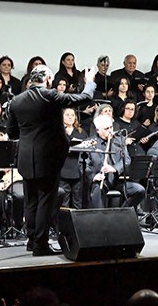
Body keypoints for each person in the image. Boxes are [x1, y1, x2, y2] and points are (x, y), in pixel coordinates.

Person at [7, 64, 96, 256]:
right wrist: (89, 83)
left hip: (25, 158)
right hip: (47, 158)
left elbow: (12, 132)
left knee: (30, 202)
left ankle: (32, 241)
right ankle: (40, 245)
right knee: (46, 201)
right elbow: (84, 98)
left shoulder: (16, 101)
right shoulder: (49, 95)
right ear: (47, 79)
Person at [87, 114, 145, 210]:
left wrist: (114, 168)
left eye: (111, 127)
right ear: (98, 130)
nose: (110, 131)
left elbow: (127, 160)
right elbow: (84, 165)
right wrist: (94, 176)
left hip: (118, 180)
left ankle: (121, 212)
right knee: (97, 191)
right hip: (100, 180)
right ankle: (100, 220)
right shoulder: (90, 143)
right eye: (106, 129)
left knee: (140, 190)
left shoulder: (119, 140)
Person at [59, 108, 87, 209]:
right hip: (63, 170)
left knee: (77, 201)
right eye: (67, 115)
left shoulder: (81, 132)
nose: (70, 117)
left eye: (72, 115)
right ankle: (63, 224)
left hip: (77, 171)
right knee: (63, 201)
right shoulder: (58, 131)